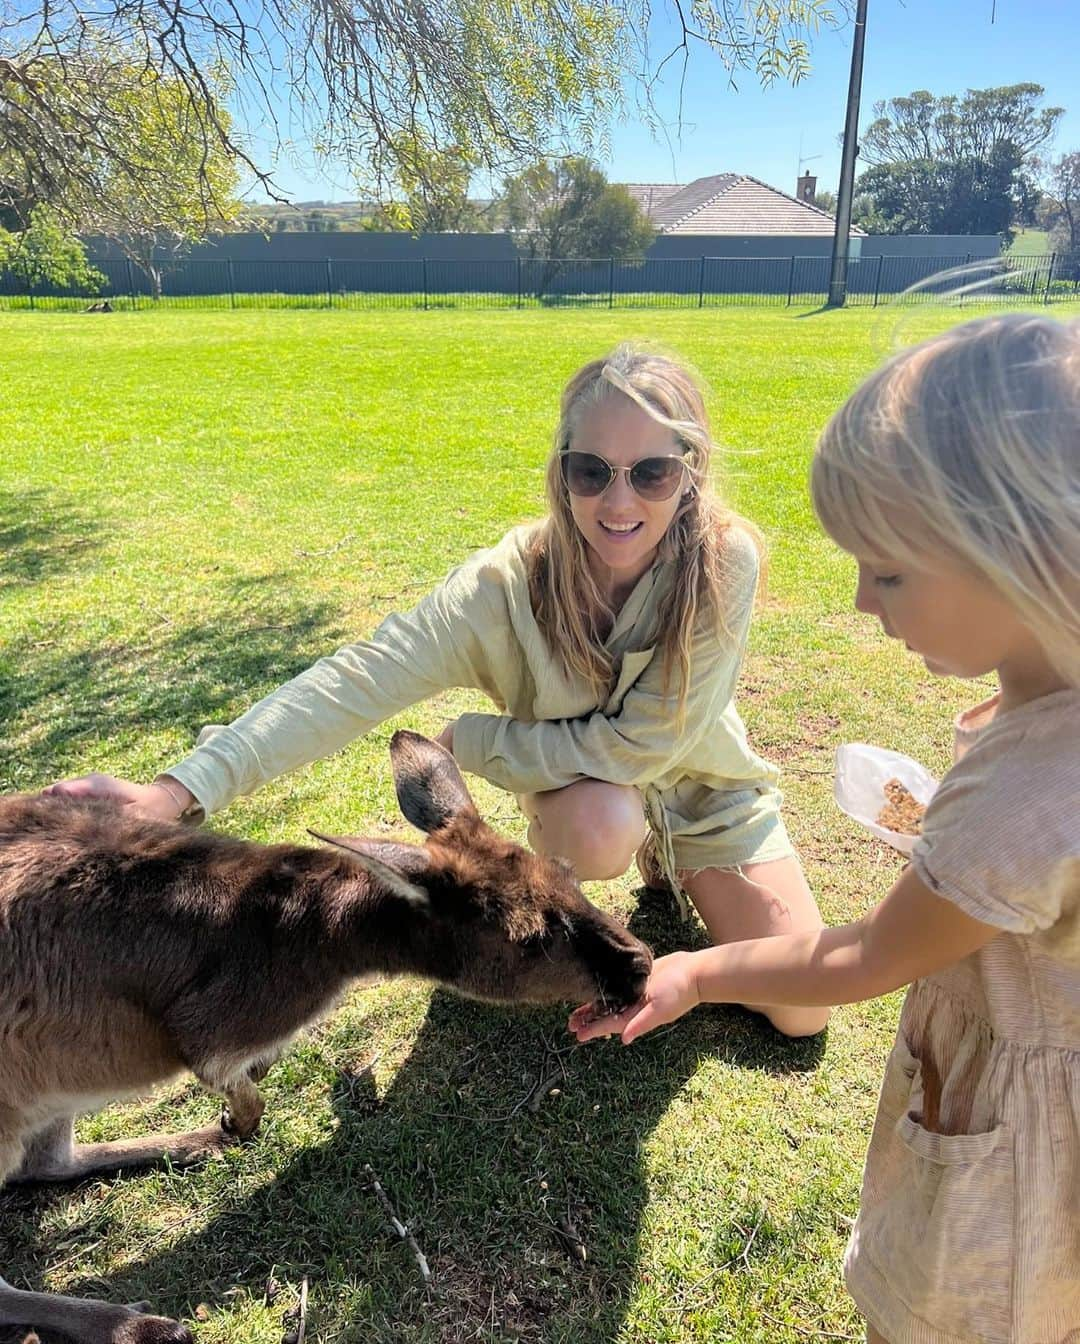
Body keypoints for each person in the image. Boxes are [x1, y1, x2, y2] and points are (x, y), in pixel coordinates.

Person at [49, 342, 828, 1039]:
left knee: (802, 1013)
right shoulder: (501, 586)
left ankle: (677, 856)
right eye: (591, 471)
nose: (618, 503)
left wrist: (479, 744)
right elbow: (351, 680)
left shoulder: (722, 562)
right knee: (600, 822)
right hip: (587, 795)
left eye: (651, 473)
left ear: (688, 473)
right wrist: (178, 790)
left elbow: (647, 743)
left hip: (703, 786)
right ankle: (592, 887)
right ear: (561, 470)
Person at [571, 313, 1080, 1343]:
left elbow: (859, 958)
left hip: (1013, 1144)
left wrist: (694, 975)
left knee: (963, 1313)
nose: (858, 599)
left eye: (888, 572)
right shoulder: (1047, 717)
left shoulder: (1030, 785)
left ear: (1024, 549)